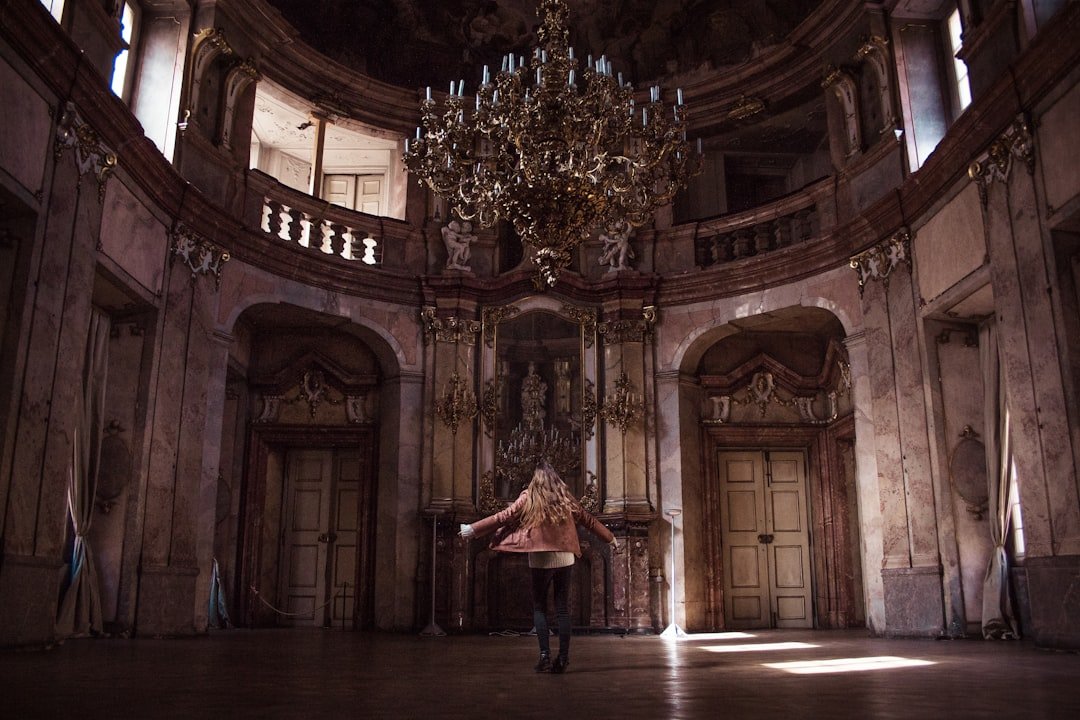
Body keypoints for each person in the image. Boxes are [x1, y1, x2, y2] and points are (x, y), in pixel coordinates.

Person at [459, 463, 617, 673]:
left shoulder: (530, 496)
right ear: (556, 479)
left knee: (539, 607)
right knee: (562, 609)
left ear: (536, 480)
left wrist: (473, 529)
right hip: (565, 556)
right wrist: (610, 537)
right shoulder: (565, 497)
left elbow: (504, 516)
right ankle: (563, 658)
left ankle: (544, 656)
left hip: (540, 557)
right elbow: (588, 519)